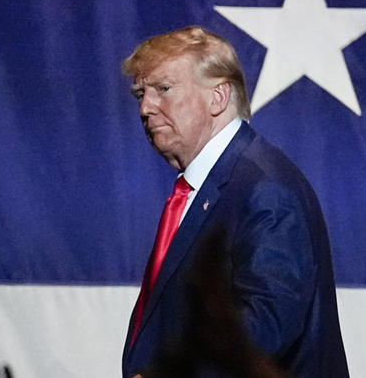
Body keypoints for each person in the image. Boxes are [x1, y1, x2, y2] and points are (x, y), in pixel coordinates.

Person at [121, 26, 349, 377]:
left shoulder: (264, 188)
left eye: (163, 89)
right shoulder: (209, 188)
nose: (146, 108)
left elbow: (266, 328)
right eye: (140, 93)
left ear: (218, 97)